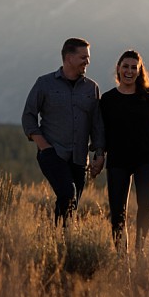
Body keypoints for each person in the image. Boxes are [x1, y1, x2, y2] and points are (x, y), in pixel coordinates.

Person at [22, 37, 106, 226]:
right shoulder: (44, 84)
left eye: (88, 57)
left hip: (79, 158)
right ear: (69, 58)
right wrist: (44, 146)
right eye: (83, 57)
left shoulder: (92, 88)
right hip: (53, 153)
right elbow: (28, 116)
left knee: (72, 202)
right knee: (68, 194)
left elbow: (97, 125)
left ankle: (62, 243)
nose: (88, 61)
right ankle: (62, 241)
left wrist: (99, 154)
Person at [98, 49, 149, 253]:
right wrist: (99, 155)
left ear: (139, 72)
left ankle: (140, 249)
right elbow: (102, 133)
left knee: (146, 205)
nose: (129, 71)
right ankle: (122, 255)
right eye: (125, 66)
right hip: (118, 160)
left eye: (134, 68)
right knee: (117, 212)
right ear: (118, 69)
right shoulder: (108, 99)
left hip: (146, 158)